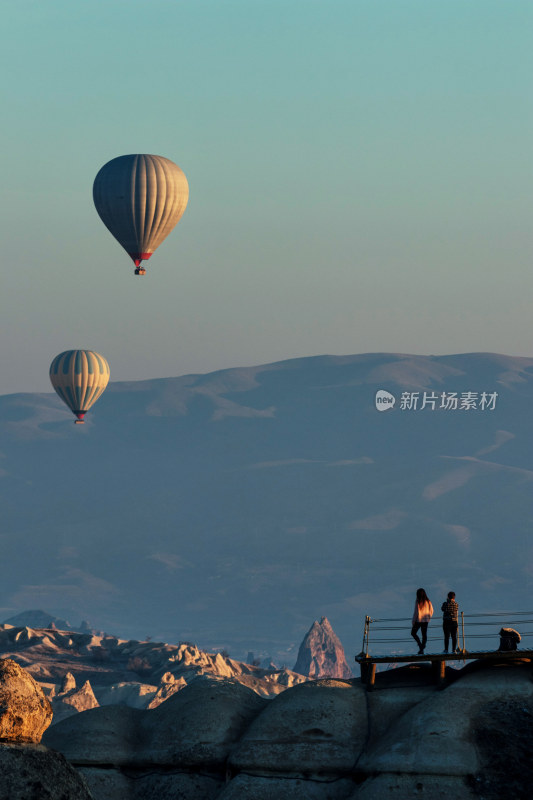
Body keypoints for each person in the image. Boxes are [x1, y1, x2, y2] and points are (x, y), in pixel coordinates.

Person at [411, 588, 434, 654]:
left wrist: (413, 621)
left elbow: (416, 612)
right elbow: (432, 610)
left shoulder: (418, 601)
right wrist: (428, 617)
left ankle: (421, 646)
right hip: (426, 620)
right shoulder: (428, 601)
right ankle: (422, 648)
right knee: (424, 635)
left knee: (413, 633)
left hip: (418, 620)